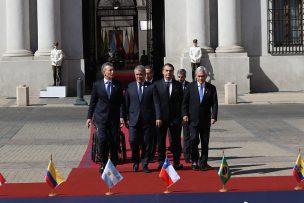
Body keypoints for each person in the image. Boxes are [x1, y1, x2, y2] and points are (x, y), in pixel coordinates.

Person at [86, 62, 124, 173]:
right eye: (110, 70)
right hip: (101, 117)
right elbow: (93, 102)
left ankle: (113, 163)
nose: (113, 72)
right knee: (102, 140)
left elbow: (121, 102)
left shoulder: (117, 84)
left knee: (114, 142)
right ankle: (103, 163)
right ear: (104, 72)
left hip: (114, 118)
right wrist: (89, 117)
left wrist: (122, 116)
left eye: (113, 70)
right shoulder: (97, 85)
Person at [124, 65, 161, 173]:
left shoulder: (151, 86)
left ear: (145, 75)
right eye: (137, 74)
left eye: (141, 74)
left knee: (146, 143)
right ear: (134, 75)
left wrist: (158, 117)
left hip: (147, 120)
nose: (139, 76)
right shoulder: (130, 86)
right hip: (133, 120)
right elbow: (126, 103)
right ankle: (136, 161)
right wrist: (124, 117)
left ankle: (144, 164)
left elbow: (156, 103)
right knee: (132, 141)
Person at [182, 66, 218, 171]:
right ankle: (194, 160)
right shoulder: (190, 87)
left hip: (205, 120)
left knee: (205, 142)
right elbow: (185, 102)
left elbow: (215, 104)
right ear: (195, 76)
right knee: (193, 140)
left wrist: (214, 116)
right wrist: (184, 114)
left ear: (206, 76)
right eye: (199, 76)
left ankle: (203, 162)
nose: (201, 78)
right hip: (192, 120)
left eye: (203, 76)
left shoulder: (211, 88)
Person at [154, 63, 184, 170]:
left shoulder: (178, 85)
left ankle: (176, 162)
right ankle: (161, 162)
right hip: (161, 119)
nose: (168, 73)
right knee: (161, 141)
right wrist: (158, 117)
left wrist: (183, 116)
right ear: (162, 72)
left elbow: (182, 102)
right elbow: (156, 102)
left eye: (170, 71)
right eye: (166, 71)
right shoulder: (157, 84)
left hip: (175, 118)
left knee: (176, 141)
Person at [176, 69, 191, 163]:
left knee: (186, 136)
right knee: (176, 136)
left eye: (182, 77)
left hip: (186, 115)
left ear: (185, 77)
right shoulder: (174, 85)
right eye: (179, 77)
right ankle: (177, 154)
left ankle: (186, 155)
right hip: (176, 115)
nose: (180, 79)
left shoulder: (189, 86)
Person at [144, 65, 157, 162]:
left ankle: (151, 155)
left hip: (153, 114)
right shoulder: (140, 83)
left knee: (153, 136)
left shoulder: (156, 84)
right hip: (142, 114)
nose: (147, 75)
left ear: (152, 73)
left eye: (148, 73)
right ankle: (144, 153)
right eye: (145, 73)